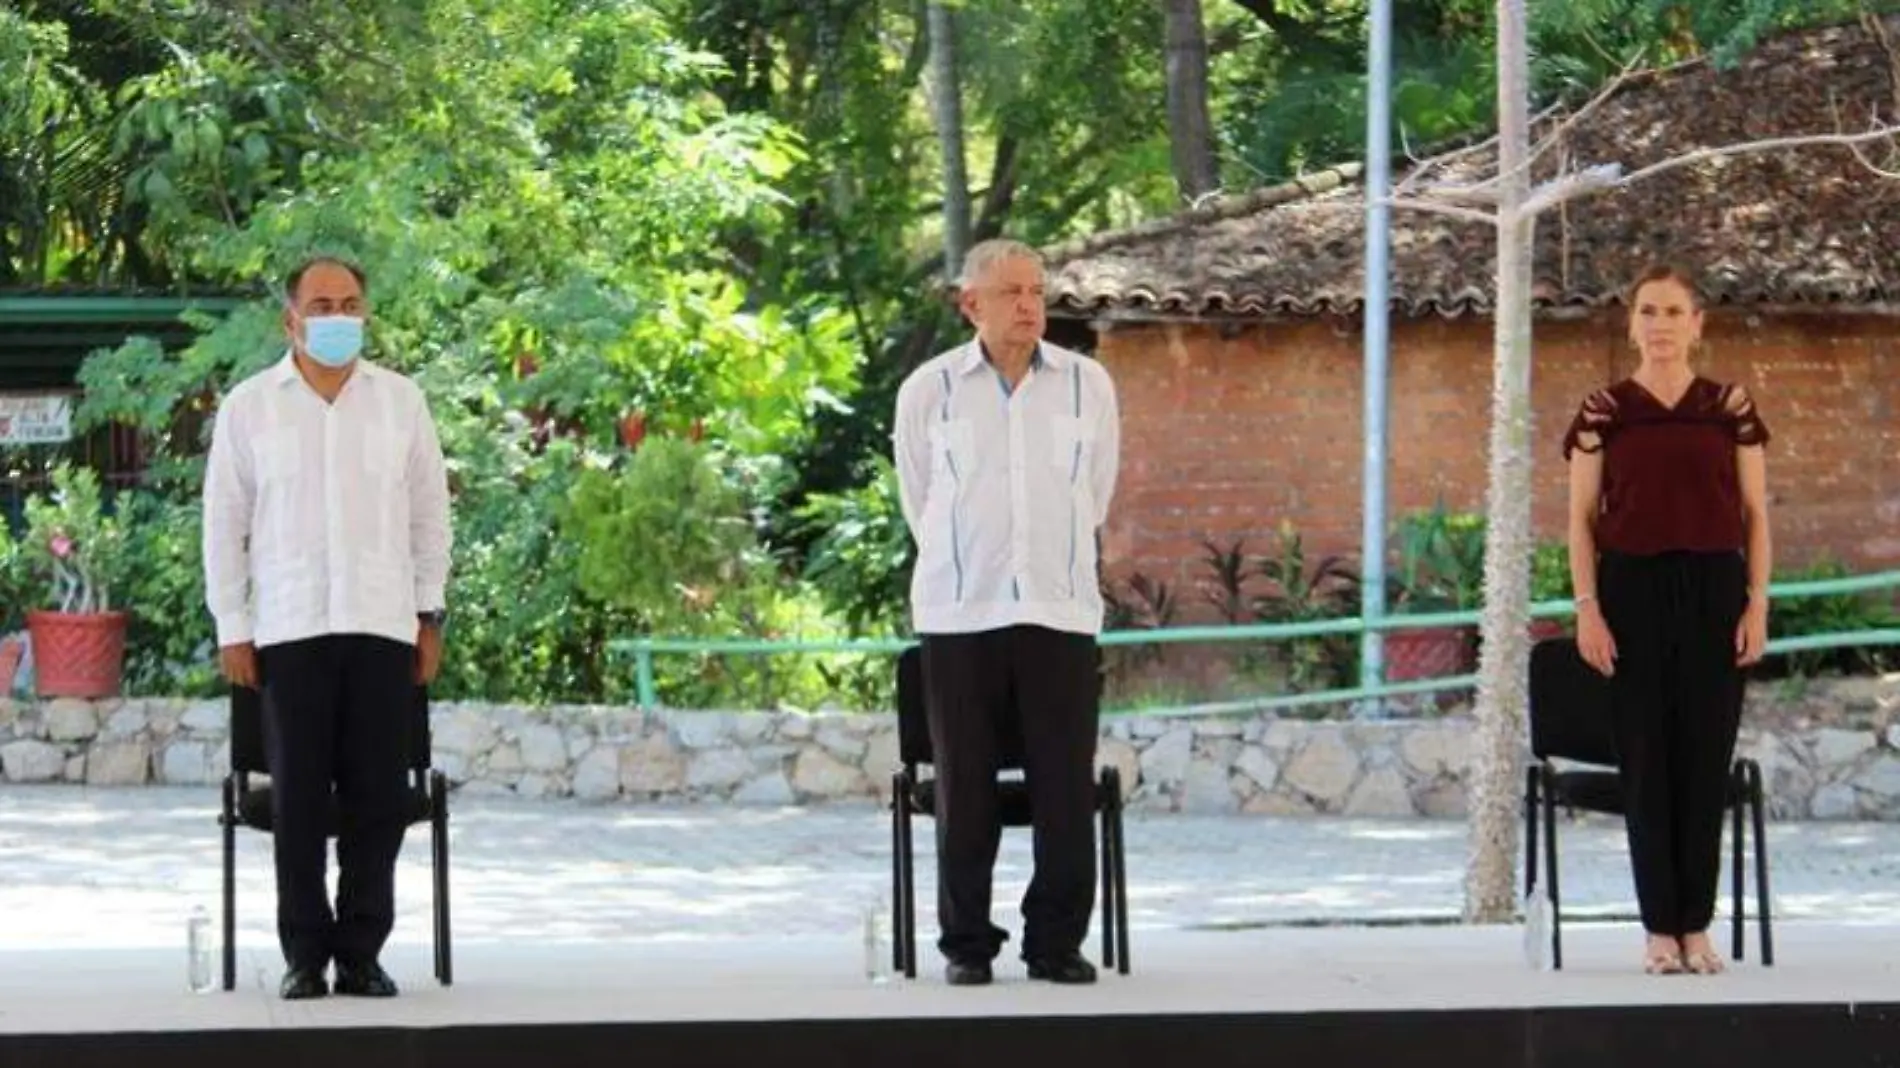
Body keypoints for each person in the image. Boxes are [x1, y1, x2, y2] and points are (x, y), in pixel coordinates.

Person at [202, 255, 453, 1000]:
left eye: (348, 304)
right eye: (320, 304)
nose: (335, 316)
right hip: (288, 629)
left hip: (382, 626)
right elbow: (224, 525)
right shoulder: (249, 408)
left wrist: (428, 613)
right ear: (291, 318)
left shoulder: (401, 403)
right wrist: (232, 626)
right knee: (300, 801)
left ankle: (362, 952)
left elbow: (429, 517)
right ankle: (304, 956)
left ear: (365, 314)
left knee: (379, 797)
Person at [892, 238, 1121, 986]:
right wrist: (971, 568)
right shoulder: (929, 390)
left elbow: (1096, 494)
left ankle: (1055, 945)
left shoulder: (1089, 386)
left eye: (1036, 291)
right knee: (965, 789)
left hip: (1059, 613)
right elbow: (920, 496)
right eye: (1012, 292)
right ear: (971, 306)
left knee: (1063, 790)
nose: (1029, 306)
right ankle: (967, 946)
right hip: (960, 616)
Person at [1561, 262, 1772, 976]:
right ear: (1632, 324)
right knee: (1647, 764)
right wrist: (1587, 608)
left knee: (1702, 766)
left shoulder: (1731, 407)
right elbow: (1580, 520)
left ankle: (1697, 929)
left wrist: (1757, 603)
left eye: (1673, 312)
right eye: (1648, 311)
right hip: (1629, 593)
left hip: (1716, 591)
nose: (1660, 325)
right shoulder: (1603, 411)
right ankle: (1658, 930)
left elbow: (1755, 516)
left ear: (1697, 324)